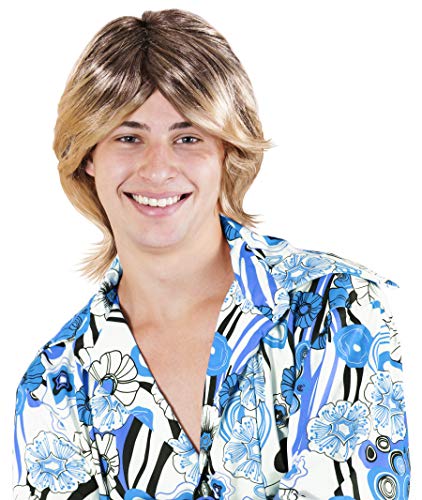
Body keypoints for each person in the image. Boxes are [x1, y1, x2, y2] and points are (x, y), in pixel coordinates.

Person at [13, 8, 410, 500]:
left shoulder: (334, 307)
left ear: (228, 150)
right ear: (89, 155)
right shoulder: (56, 382)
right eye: (128, 137)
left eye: (188, 138)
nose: (157, 169)